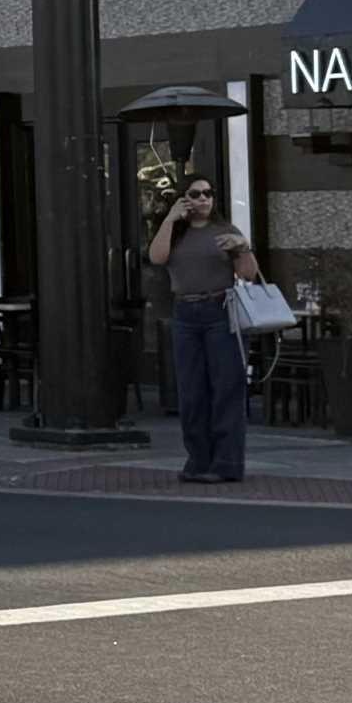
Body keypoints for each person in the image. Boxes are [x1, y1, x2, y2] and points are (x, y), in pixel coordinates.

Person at [149, 177, 259, 483]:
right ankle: (198, 460)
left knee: (226, 388)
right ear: (183, 199)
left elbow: (248, 275)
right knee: (191, 391)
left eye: (208, 193)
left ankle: (226, 463)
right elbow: (156, 257)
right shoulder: (176, 232)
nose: (203, 199)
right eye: (195, 194)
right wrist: (171, 218)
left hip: (221, 311)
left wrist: (243, 248)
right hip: (185, 313)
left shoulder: (225, 231)